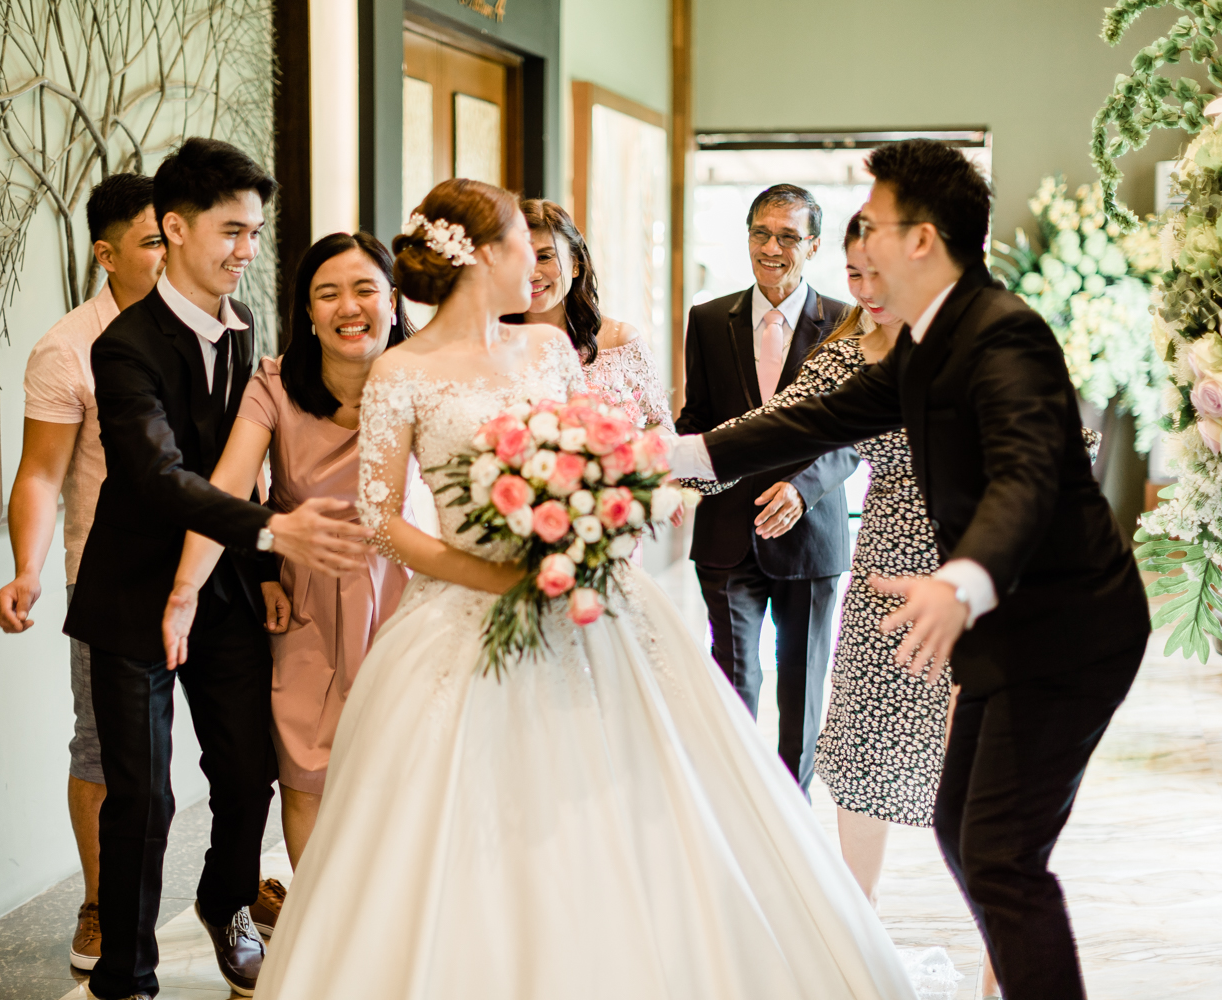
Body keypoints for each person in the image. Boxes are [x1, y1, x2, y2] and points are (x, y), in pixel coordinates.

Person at [253, 177, 918, 1000]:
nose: (532, 265)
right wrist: (499, 574)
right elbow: (382, 520)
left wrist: (597, 525)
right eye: (517, 247)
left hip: (587, 599)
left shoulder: (548, 351)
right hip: (462, 614)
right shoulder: (400, 371)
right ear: (482, 257)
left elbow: (600, 459)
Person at [669, 140, 1151, 1000]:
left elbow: (1026, 479)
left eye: (876, 222)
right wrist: (666, 456)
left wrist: (960, 582)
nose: (861, 240)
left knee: (1001, 857)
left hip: (1064, 630)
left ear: (921, 239)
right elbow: (804, 420)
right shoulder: (923, 344)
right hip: (995, 622)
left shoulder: (1004, 334)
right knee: (967, 833)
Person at [63, 138, 374, 1000]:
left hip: (228, 591)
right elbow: (158, 478)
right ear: (174, 228)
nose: (247, 250)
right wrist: (276, 534)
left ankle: (226, 901)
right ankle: (127, 976)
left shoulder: (244, 333)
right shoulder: (123, 348)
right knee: (143, 795)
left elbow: (249, 462)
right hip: (131, 595)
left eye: (255, 232)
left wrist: (262, 567)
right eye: (232, 231)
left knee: (246, 773)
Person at [161, 232, 412, 884]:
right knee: (307, 773)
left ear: (393, 300)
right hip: (308, 598)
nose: (348, 307)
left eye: (364, 289)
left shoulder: (428, 379)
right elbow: (225, 491)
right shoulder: (272, 386)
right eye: (328, 294)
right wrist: (186, 590)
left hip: (410, 594)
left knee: (409, 769)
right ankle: (328, 924)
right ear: (307, 311)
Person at [0, 173, 166, 972]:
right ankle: (100, 904)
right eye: (152, 241)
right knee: (103, 748)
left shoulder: (219, 323)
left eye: (173, 236)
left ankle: (231, 891)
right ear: (106, 254)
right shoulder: (68, 348)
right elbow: (40, 473)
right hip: (111, 578)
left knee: (241, 746)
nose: (169, 254)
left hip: (212, 568)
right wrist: (26, 569)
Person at [673, 183, 860, 796]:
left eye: (788, 237)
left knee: (801, 688)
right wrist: (668, 465)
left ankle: (792, 815)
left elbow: (859, 433)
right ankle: (735, 808)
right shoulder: (708, 319)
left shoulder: (849, 323)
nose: (771, 248)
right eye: (761, 233)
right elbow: (697, 419)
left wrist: (803, 489)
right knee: (733, 680)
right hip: (727, 533)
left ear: (814, 245)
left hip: (811, 535)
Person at [504, 199, 672, 428]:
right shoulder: (491, 345)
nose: (532, 274)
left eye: (544, 257)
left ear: (575, 264)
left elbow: (662, 428)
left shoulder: (620, 341)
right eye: (520, 260)